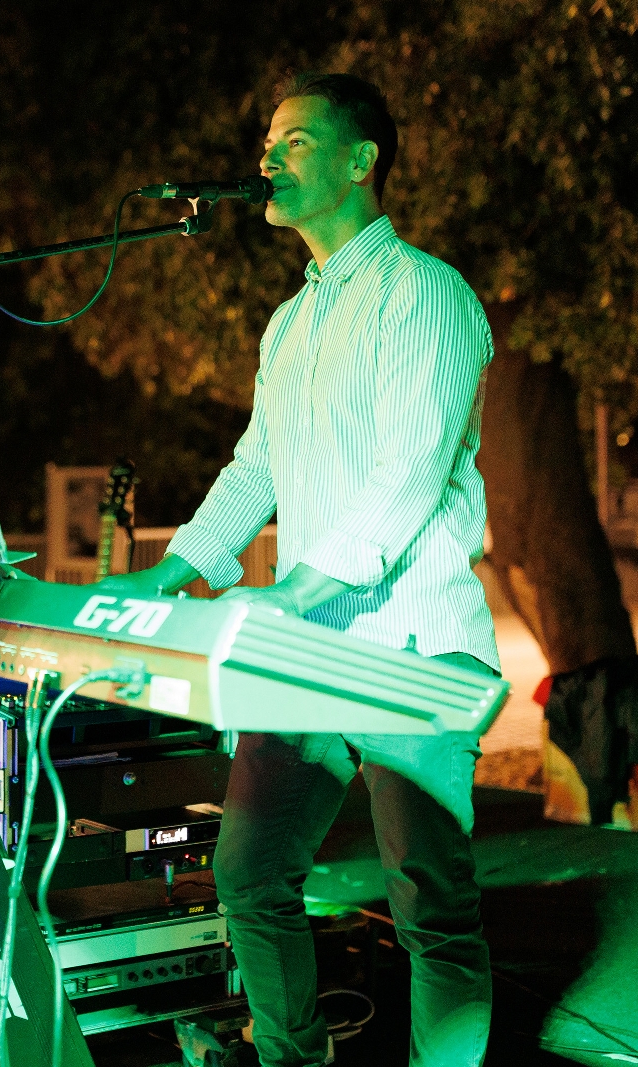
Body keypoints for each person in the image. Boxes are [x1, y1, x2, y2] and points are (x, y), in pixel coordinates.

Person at [99, 73, 500, 1067]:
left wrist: (292, 592)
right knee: (249, 871)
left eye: (295, 140)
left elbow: (408, 473)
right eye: (267, 141)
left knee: (431, 906)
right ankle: (292, 1056)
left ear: (362, 159)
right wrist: (167, 574)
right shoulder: (290, 322)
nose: (267, 158)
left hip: (413, 645)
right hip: (313, 649)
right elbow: (257, 469)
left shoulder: (427, 292)